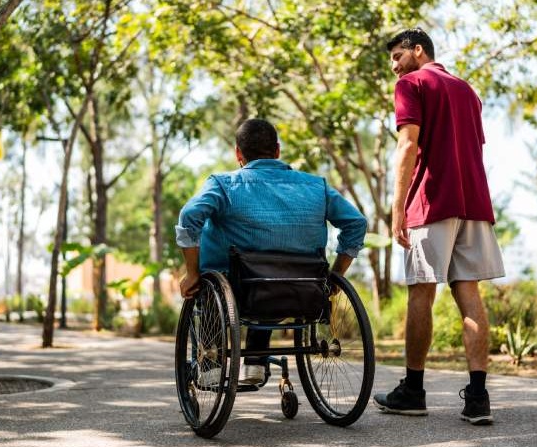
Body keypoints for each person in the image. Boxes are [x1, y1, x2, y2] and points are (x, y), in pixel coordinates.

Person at [373, 28, 505, 425]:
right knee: (469, 295)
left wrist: (398, 209)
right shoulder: (468, 90)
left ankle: (413, 391)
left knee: (421, 294)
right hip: (474, 204)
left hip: (432, 203)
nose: (395, 66)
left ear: (419, 51)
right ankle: (477, 398)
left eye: (398, 56)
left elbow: (408, 146)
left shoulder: (411, 84)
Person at [175, 118, 367, 384]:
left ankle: (211, 365)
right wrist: (334, 276)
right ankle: (255, 361)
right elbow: (357, 223)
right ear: (277, 150)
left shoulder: (224, 184)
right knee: (268, 285)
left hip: (237, 287)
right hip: (301, 287)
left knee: (218, 279)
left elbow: (189, 217)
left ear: (238, 154)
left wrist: (192, 272)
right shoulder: (316, 186)